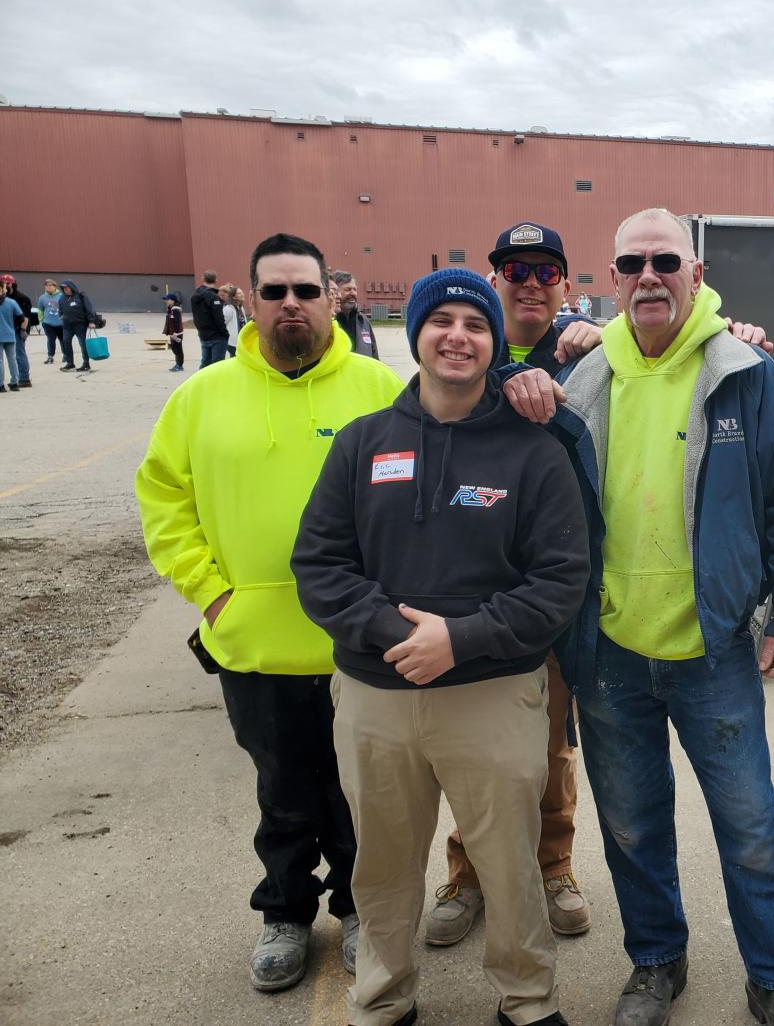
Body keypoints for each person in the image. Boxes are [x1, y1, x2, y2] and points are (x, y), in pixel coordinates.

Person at [510, 207, 774, 1026]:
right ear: (612, 280)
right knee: (630, 826)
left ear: (696, 274)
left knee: (751, 827)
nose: (649, 276)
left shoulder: (744, 372)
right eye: (632, 264)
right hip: (607, 651)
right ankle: (656, 963)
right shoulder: (580, 375)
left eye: (665, 262)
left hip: (712, 648)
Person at [292, 267, 588, 1026]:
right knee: (383, 862)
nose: (458, 337)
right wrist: (404, 638)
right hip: (376, 693)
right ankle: (384, 996)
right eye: (442, 321)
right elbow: (319, 565)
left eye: (476, 324)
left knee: (510, 862)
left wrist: (460, 640)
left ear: (495, 343)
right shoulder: (362, 443)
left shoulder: (533, 451)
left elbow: (560, 579)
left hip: (492, 692)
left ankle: (527, 999)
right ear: (416, 333)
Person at [134, 233, 405, 995]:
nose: (292, 304)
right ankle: (284, 913)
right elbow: (163, 498)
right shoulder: (200, 397)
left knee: (359, 797)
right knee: (282, 793)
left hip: (359, 645)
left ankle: (358, 908)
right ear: (248, 300)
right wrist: (212, 591)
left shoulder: (381, 390)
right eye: (275, 291)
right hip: (253, 643)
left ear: (331, 299)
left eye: (306, 291)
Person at [424, 221, 603, 949]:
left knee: (550, 744)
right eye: (516, 271)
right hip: (476, 586)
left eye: (545, 271)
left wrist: (607, 339)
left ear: (566, 283)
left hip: (555, 586)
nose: (530, 283)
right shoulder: (470, 350)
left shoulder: (591, 354)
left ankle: (553, 867)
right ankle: (467, 873)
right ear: (495, 278)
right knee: (474, 746)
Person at [330, 271, 382, 359]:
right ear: (335, 293)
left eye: (355, 289)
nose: (353, 293)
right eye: (348, 290)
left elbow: (374, 355)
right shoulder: (329, 321)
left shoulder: (363, 321)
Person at [191, 268, 229, 367]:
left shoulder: (195, 295)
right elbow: (219, 318)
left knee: (205, 364)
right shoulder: (213, 297)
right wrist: (225, 334)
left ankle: (201, 377)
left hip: (203, 335)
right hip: (217, 336)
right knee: (217, 366)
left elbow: (195, 316)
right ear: (216, 280)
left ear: (203, 278)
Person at [1, 276, 33, 388]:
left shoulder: (22, 298)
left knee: (19, 354)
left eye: (8, 283)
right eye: (4, 284)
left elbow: (26, 317)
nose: (6, 286)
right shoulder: (5, 298)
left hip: (18, 330)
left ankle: (24, 378)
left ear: (13, 284)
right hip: (7, 329)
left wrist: (23, 330)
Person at [56, 279, 93, 373]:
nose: (65, 290)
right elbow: (60, 308)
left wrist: (91, 321)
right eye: (63, 288)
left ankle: (86, 364)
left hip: (80, 324)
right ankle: (70, 364)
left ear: (72, 287)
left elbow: (89, 308)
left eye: (67, 288)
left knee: (82, 344)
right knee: (66, 342)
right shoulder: (62, 298)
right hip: (67, 326)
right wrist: (60, 315)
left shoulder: (80, 296)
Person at [36, 279, 64, 363]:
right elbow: (40, 310)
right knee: (51, 340)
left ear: (55, 286)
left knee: (63, 340)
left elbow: (65, 308)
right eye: (46, 285)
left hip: (61, 323)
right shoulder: (42, 298)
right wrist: (41, 321)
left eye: (50, 285)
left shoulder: (61, 296)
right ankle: (50, 356)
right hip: (48, 323)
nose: (48, 287)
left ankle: (66, 355)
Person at [0, 288, 21, 392]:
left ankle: (1, 385)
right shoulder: (11, 302)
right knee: (12, 360)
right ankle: (14, 383)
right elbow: (21, 317)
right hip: (10, 334)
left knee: (0, 361)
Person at [162, 292, 185, 371]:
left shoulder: (176, 309)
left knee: (178, 350)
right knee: (174, 349)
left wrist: (175, 333)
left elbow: (177, 322)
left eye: (167, 300)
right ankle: (178, 364)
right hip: (173, 333)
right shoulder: (171, 308)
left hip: (177, 333)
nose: (166, 301)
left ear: (173, 300)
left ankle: (179, 365)